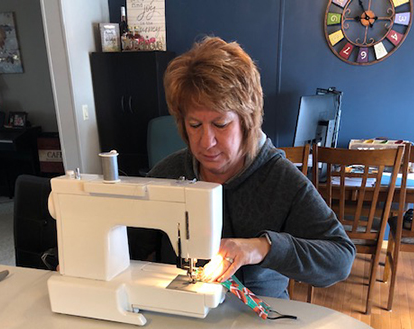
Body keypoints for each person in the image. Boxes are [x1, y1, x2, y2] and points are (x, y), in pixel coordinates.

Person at [140, 36, 354, 298]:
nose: (206, 142)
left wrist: (262, 248)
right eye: (195, 125)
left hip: (255, 319)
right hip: (181, 313)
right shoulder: (168, 174)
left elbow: (340, 259)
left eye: (220, 124)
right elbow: (132, 246)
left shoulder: (281, 180)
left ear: (247, 121)